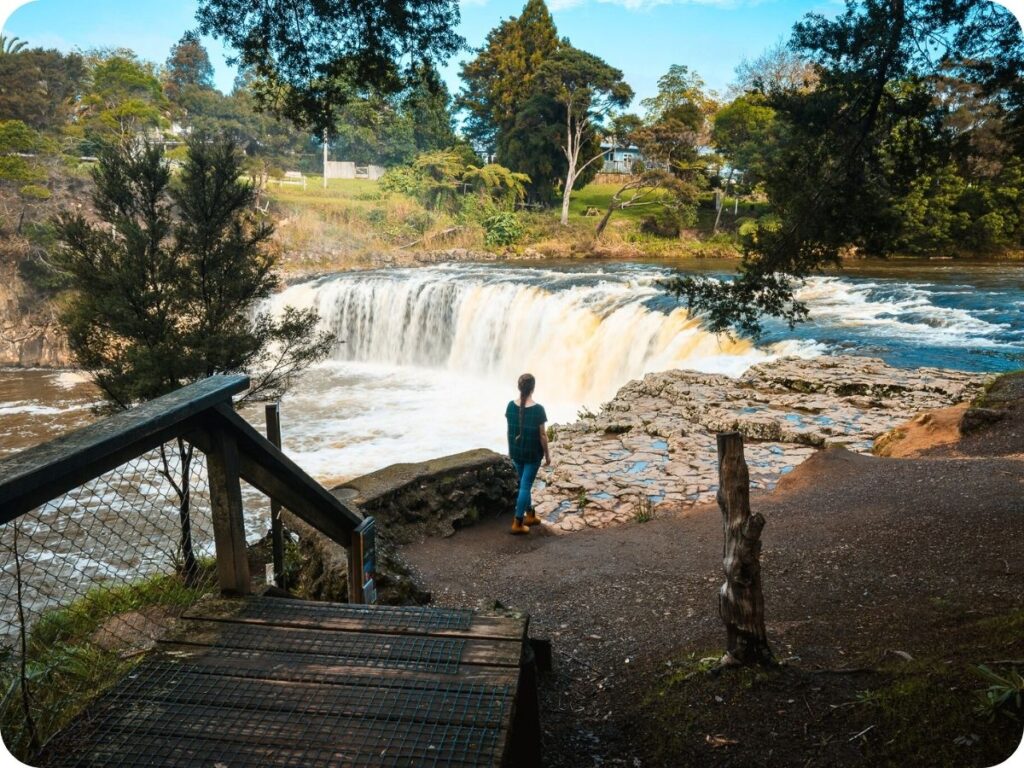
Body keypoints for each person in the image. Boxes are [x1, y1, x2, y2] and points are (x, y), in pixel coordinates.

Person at [505, 373, 551, 534]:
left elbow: (509, 431)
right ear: (533, 388)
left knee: (524, 485)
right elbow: (542, 435)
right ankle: (518, 522)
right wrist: (547, 455)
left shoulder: (510, 406)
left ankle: (530, 515)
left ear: (519, 387)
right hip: (532, 455)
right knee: (525, 486)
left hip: (516, 452)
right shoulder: (538, 410)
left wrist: (510, 451)